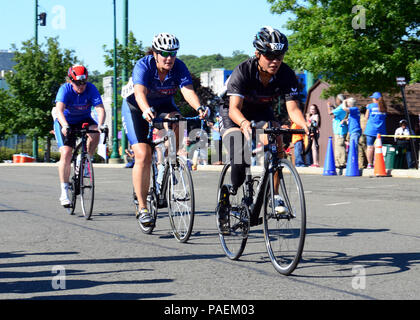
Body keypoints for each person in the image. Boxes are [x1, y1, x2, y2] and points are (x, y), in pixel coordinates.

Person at [219, 26, 309, 228]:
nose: (275, 60)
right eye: (269, 55)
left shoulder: (286, 74)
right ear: (257, 54)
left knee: (276, 136)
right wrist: (243, 124)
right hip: (233, 113)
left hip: (260, 111)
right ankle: (229, 191)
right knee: (240, 154)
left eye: (280, 55)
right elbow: (234, 108)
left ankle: (274, 196)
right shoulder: (244, 71)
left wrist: (305, 124)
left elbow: (293, 108)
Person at [121, 33, 208, 226]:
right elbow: (139, 93)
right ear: (155, 53)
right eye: (164, 53)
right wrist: (145, 110)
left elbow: (187, 91)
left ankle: (167, 165)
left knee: (178, 120)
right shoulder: (144, 65)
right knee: (143, 154)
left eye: (173, 53)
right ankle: (142, 207)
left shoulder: (179, 67)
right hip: (136, 107)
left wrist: (199, 107)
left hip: (163, 105)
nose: (169, 58)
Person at [53, 65, 106, 207]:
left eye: (83, 83)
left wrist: (100, 125)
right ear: (71, 81)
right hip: (66, 121)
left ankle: (85, 160)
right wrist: (64, 125)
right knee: (66, 153)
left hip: (83, 119)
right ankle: (64, 192)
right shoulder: (65, 89)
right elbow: (59, 110)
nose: (81, 86)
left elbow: (100, 109)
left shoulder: (91, 88)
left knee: (95, 133)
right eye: (77, 83)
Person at [363, 92, 387, 169]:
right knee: (378, 147)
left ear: (375, 99)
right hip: (381, 131)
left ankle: (369, 164)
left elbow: (366, 117)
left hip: (370, 130)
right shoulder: (384, 107)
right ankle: (377, 162)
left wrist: (367, 108)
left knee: (369, 147)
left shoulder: (370, 106)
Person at [328, 94, 348, 169]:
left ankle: (342, 162)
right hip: (341, 129)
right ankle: (339, 162)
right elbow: (335, 114)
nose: (336, 100)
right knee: (339, 146)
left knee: (340, 146)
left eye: (336, 99)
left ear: (339, 100)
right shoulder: (343, 107)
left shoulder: (341, 107)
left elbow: (330, 113)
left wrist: (328, 106)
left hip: (340, 130)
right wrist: (333, 107)